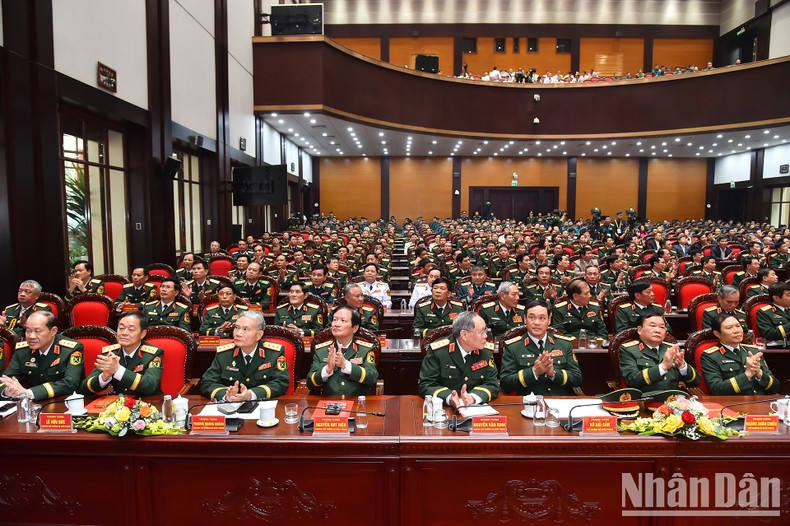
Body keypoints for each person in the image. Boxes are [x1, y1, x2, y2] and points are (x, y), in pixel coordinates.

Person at [499, 296, 582, 396]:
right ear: (525, 319)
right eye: (531, 317)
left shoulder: (564, 344)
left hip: (559, 403)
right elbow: (505, 383)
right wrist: (534, 372)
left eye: (542, 318)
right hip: (527, 404)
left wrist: (553, 373)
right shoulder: (512, 347)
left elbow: (577, 379)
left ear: (549, 320)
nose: (537, 323)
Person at [200, 310, 289, 400]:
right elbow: (207, 382)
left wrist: (252, 394)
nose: (238, 334)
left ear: (259, 335)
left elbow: (281, 382)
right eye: (236, 328)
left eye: (245, 329)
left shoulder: (274, 353)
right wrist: (226, 395)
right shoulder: (224, 354)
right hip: (230, 407)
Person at [417, 311, 499, 407]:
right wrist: (449, 397)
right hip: (444, 410)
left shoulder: (486, 351)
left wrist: (473, 397)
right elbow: (426, 385)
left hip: (477, 409)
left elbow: (492, 384)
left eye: (485, 331)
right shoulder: (439, 351)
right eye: (481, 332)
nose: (485, 336)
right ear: (464, 335)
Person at [0, 311, 84, 400]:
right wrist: (8, 390)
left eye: (37, 331)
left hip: (63, 401)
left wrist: (29, 393)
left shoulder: (71, 349)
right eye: (28, 330)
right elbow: (7, 378)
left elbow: (70, 383)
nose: (31, 336)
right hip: (32, 404)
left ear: (53, 331)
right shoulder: (23, 350)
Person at [80, 311, 164, 396]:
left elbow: (150, 386)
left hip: (146, 405)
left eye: (131, 329)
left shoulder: (153, 354)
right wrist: (104, 377)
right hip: (117, 405)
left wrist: (118, 370)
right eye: (121, 328)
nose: (124, 333)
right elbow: (83, 389)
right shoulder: (110, 353)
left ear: (143, 334)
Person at [306, 306, 378, 396]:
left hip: (357, 404)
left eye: (343, 321)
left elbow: (372, 378)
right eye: (335, 320)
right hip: (328, 404)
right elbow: (310, 384)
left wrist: (346, 365)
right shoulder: (321, 350)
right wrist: (327, 370)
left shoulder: (365, 349)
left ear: (355, 328)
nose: (336, 324)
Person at [702, 313, 780, 395]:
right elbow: (717, 390)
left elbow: (775, 387)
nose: (736, 331)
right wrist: (747, 375)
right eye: (729, 328)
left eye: (738, 326)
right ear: (717, 333)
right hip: (735, 405)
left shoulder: (753, 351)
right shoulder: (710, 356)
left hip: (761, 402)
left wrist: (759, 373)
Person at [619, 313, 699, 391]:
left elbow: (695, 382)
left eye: (662, 327)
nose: (658, 330)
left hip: (674, 400)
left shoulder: (672, 349)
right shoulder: (629, 350)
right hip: (646, 401)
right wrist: (663, 366)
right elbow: (632, 380)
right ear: (640, 330)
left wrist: (682, 366)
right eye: (652, 326)